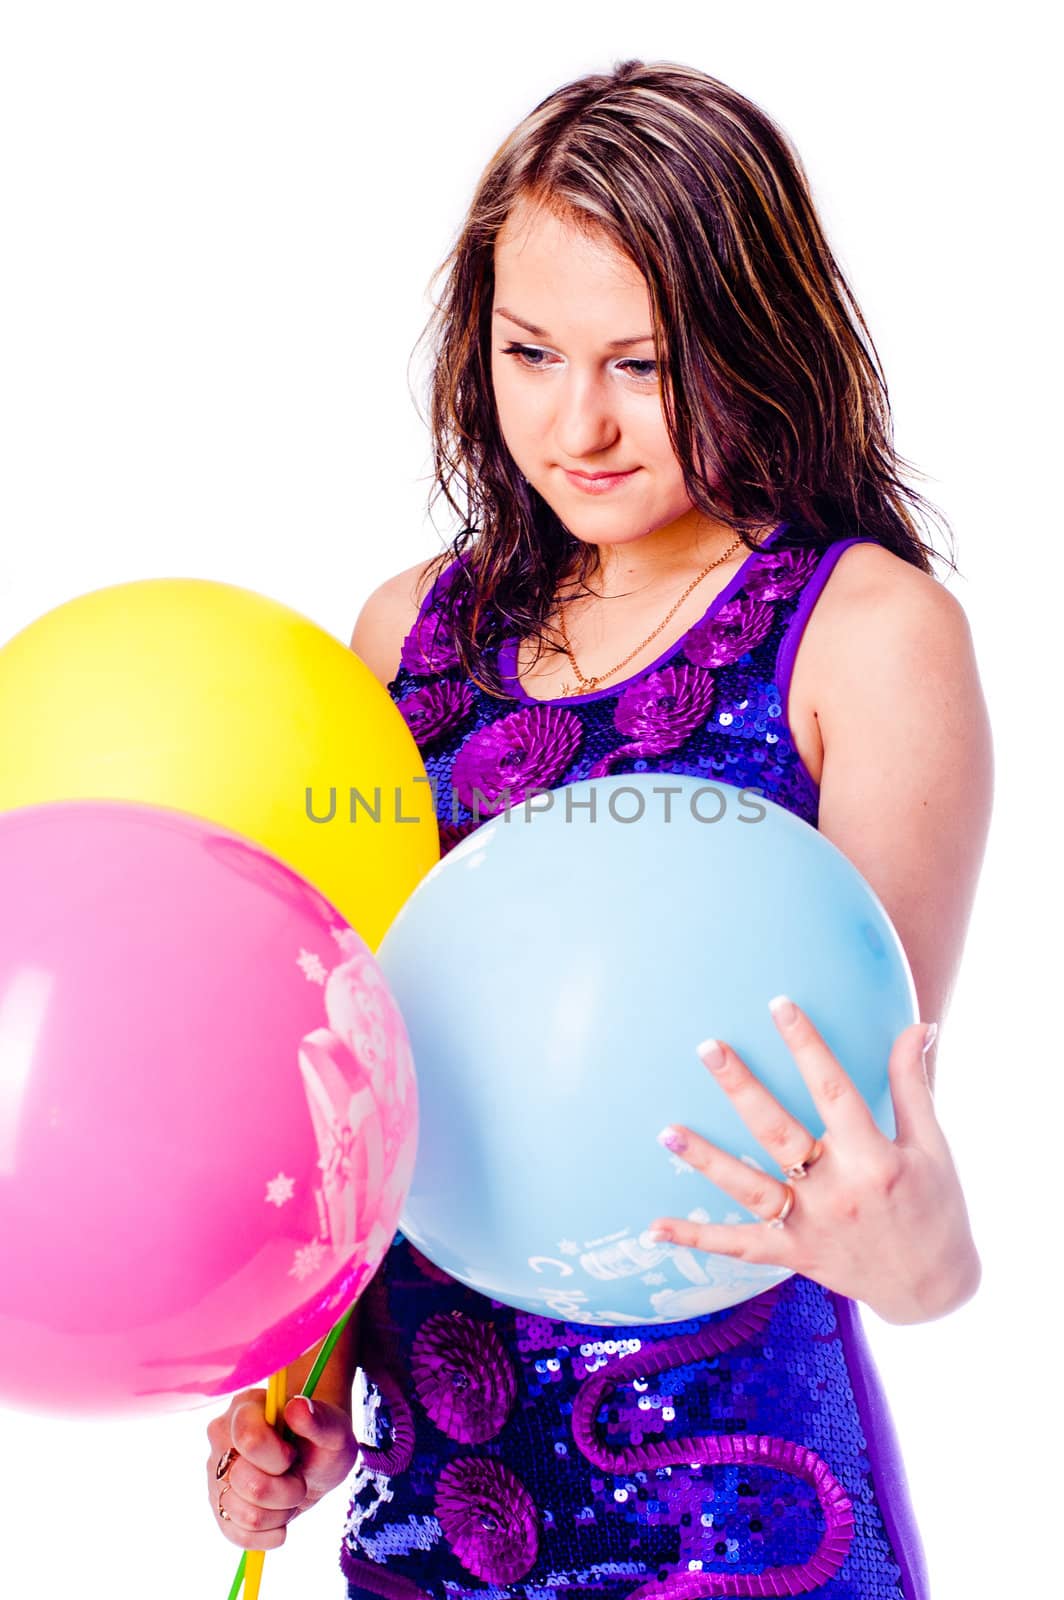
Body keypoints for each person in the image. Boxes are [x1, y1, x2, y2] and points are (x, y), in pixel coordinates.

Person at [204, 58, 992, 1598]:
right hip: (433, 1514)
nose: (582, 423)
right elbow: (362, 1092)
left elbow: (884, 1170)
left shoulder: (868, 636)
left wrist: (929, 1259)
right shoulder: (405, 632)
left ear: (756, 339)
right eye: (532, 350)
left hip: (741, 1514)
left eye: (645, 361)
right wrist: (293, 1392)